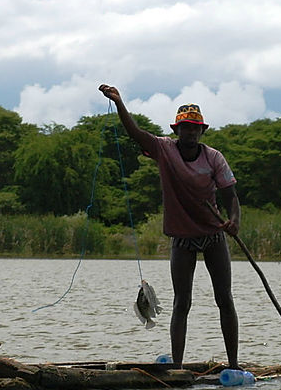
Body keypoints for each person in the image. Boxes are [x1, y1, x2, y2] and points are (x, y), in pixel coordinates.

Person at [98, 84, 241, 369]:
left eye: (195, 129)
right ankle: (177, 367)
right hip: (183, 238)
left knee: (224, 298)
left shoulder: (214, 157)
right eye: (185, 128)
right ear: (176, 130)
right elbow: (135, 134)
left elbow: (231, 196)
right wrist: (119, 103)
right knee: (182, 302)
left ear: (202, 132)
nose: (190, 133)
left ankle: (234, 364)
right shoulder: (164, 150)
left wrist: (234, 220)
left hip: (213, 235)